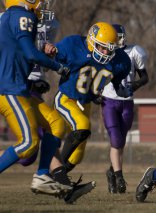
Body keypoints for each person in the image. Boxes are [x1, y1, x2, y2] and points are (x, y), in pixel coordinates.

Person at [0, 0, 69, 195]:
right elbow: (30, 54)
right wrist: (59, 67)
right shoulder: (23, 15)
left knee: (57, 123)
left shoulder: (9, 16)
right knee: (29, 144)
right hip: (10, 89)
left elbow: (22, 53)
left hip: (19, 88)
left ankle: (42, 176)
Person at [52, 22, 131, 181]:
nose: (106, 52)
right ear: (91, 40)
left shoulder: (120, 60)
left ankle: (59, 181)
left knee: (77, 156)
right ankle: (52, 173)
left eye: (110, 48)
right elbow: (52, 57)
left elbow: (115, 78)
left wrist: (118, 87)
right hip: (66, 98)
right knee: (82, 126)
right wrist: (48, 53)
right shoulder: (73, 45)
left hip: (85, 103)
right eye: (102, 47)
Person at [102, 24, 149, 194]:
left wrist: (135, 85)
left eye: (121, 36)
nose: (120, 40)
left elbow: (145, 77)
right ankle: (120, 177)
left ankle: (112, 171)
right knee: (116, 139)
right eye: (117, 36)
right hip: (109, 100)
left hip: (127, 101)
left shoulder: (135, 51)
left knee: (120, 142)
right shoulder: (103, 53)